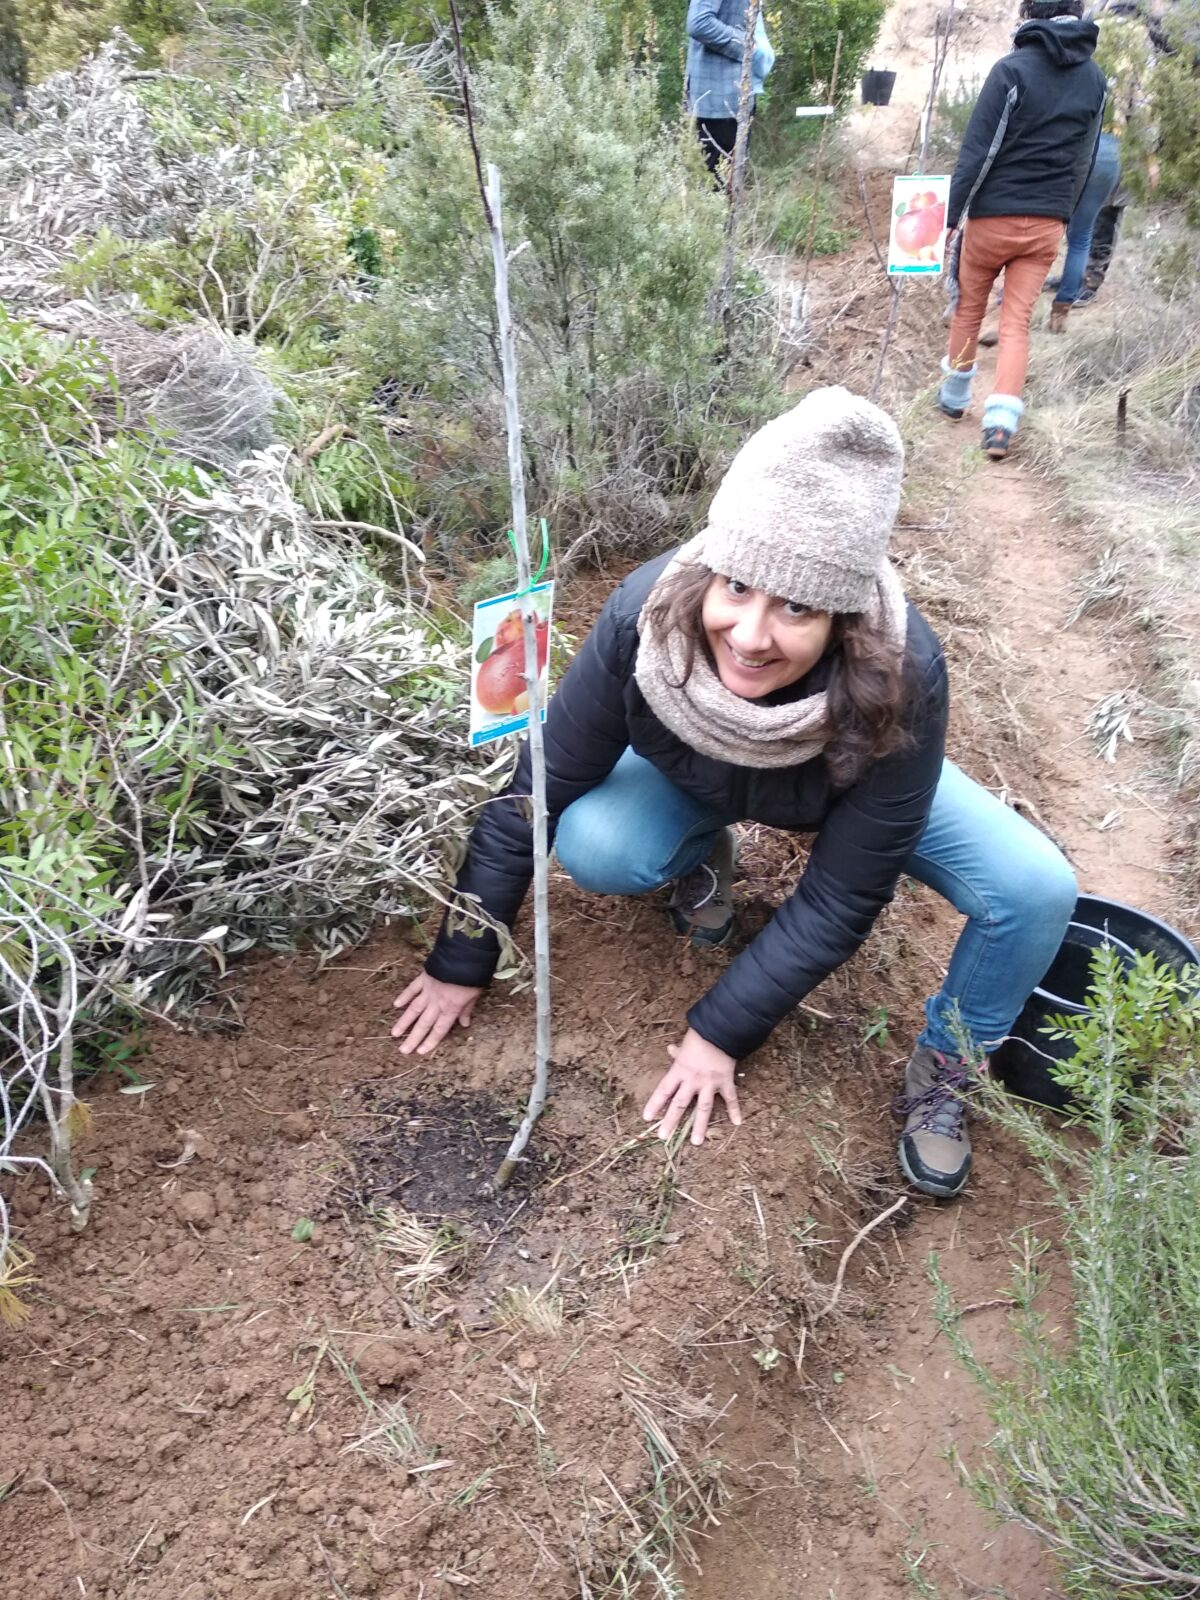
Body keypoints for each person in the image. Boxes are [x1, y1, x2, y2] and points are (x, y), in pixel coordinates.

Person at [392, 388, 1078, 1201]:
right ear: (710, 571)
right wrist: (463, 956)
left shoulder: (901, 674)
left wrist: (720, 1034)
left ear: (843, 618)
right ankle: (700, 856)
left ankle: (949, 1066)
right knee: (600, 844)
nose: (753, 635)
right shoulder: (642, 620)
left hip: (842, 780)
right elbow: (535, 793)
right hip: (693, 768)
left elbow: (840, 898)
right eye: (740, 589)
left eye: (797, 606)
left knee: (1035, 890)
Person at [937, 0, 1107, 459]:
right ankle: (1000, 426)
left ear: (1031, 11)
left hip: (993, 217)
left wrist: (950, 218)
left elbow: (980, 153)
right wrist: (1063, 214)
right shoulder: (1095, 78)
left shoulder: (1011, 69)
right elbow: (1082, 160)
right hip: (1047, 223)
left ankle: (954, 398)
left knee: (969, 308)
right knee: (1016, 324)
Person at [685, 0, 775, 181]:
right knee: (713, 197)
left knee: (727, 194)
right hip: (716, 108)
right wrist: (749, 47)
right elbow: (699, 23)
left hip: (734, 101)